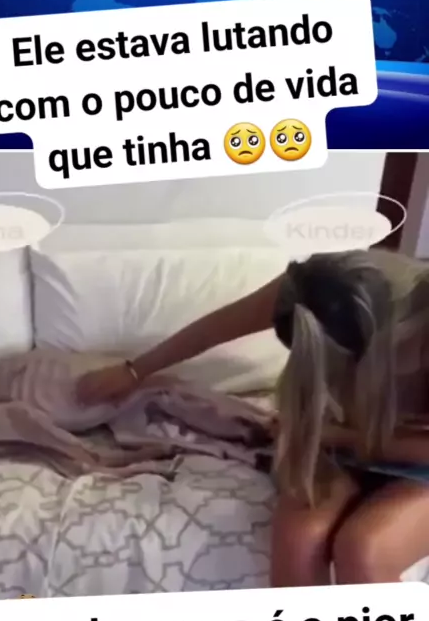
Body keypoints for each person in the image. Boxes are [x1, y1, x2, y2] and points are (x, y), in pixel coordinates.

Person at [76, 248, 429, 587]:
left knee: (365, 549)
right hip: (339, 440)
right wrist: (134, 371)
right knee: (298, 543)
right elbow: (214, 328)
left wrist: (335, 436)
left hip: (405, 451)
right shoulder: (311, 291)